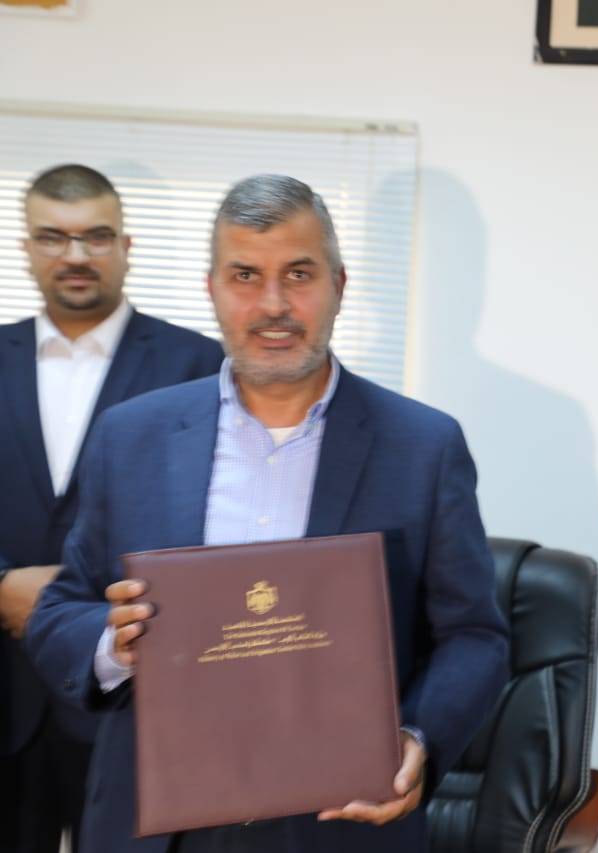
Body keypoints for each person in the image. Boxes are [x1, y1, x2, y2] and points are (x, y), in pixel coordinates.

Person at [25, 174, 510, 853]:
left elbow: (475, 636)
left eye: (299, 274)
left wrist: (416, 736)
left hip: (339, 817)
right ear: (212, 289)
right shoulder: (131, 436)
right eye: (245, 275)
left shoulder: (422, 446)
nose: (273, 304)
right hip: (154, 821)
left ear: (339, 285)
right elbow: (60, 612)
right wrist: (113, 641)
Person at [0, 164, 224, 853]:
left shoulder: (199, 365)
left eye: (96, 236)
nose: (75, 255)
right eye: (53, 237)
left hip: (133, 683)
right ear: (27, 247)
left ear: (127, 246)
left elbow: (217, 516)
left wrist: (90, 605)